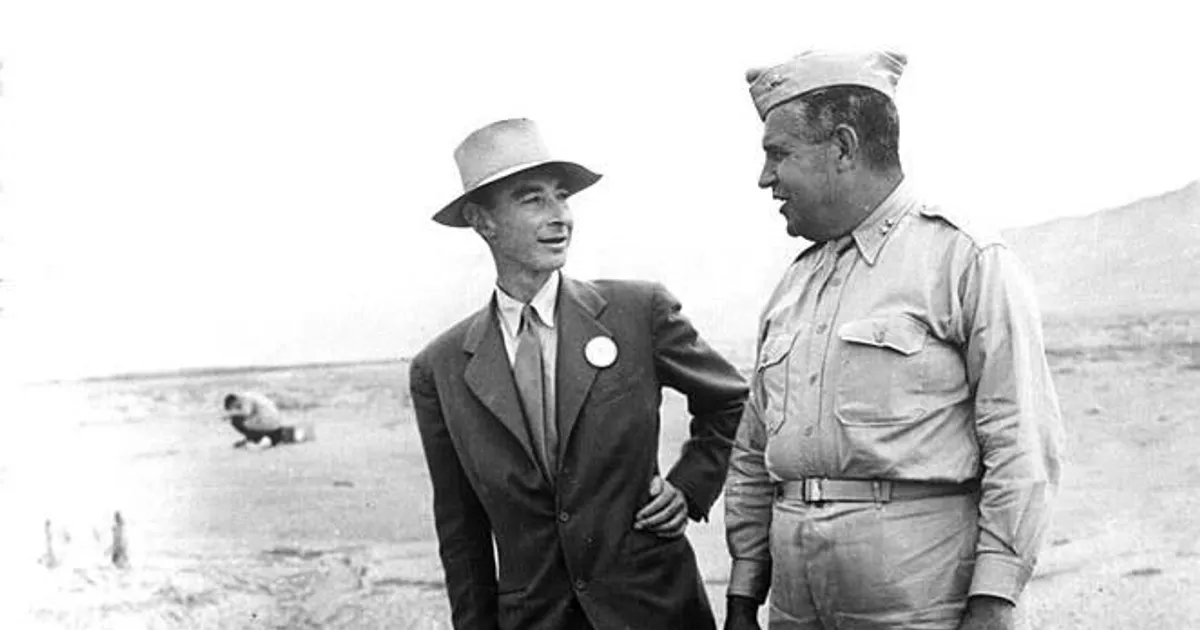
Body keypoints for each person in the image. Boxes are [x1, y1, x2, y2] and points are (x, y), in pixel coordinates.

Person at [723, 51, 1065, 630]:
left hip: (920, 602)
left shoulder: (962, 259)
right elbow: (754, 453)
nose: (765, 177)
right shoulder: (794, 284)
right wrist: (742, 595)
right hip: (795, 606)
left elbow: (1022, 442)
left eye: (778, 153)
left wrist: (993, 602)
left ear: (843, 146)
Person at [410, 118, 748, 629]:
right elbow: (461, 533)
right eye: (532, 199)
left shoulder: (638, 313)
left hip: (654, 610)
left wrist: (689, 485)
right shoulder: (441, 368)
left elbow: (732, 401)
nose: (559, 217)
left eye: (561, 196)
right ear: (483, 222)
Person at [222, 391, 309, 448]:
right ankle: (258, 437)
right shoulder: (251, 394)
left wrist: (230, 415)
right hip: (275, 422)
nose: (236, 409)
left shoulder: (245, 399)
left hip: (267, 422)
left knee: (235, 420)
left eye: (233, 407)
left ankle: (254, 439)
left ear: (234, 401)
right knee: (245, 420)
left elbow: (246, 413)